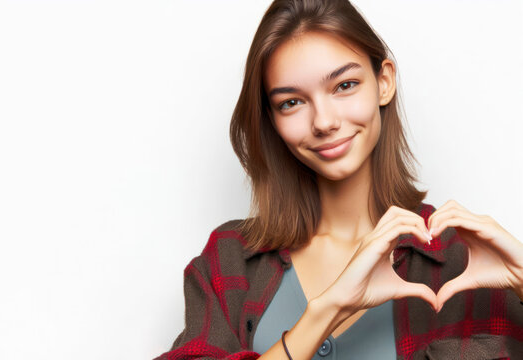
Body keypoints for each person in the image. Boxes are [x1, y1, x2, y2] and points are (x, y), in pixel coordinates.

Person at [154, 0, 523, 359]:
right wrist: (326, 310)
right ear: (271, 119)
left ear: (384, 82)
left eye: (344, 85)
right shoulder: (230, 260)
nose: (324, 121)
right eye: (291, 102)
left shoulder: (462, 260)